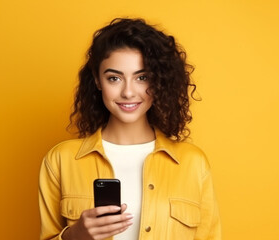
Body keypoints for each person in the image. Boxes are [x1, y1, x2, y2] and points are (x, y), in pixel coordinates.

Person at [39, 18, 221, 240]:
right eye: (114, 78)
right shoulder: (61, 160)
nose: (128, 92)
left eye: (141, 77)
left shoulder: (193, 163)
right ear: (97, 81)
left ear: (159, 81)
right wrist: (75, 235)